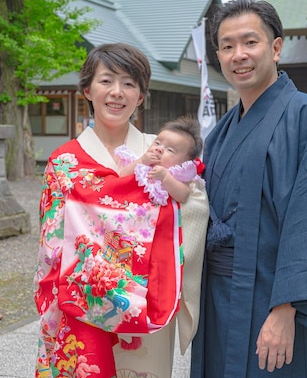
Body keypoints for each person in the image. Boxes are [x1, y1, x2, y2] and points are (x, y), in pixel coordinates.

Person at [190, 0, 307, 378]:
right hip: (220, 297)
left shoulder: (306, 116)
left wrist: (286, 309)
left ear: (276, 47)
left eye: (250, 42)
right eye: (227, 46)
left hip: (275, 297)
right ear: (218, 55)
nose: (238, 55)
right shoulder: (220, 134)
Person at [34, 43, 209, 378]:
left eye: (129, 83)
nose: (117, 92)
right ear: (87, 89)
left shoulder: (161, 149)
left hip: (145, 301)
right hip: (79, 300)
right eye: (106, 81)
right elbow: (52, 244)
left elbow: (195, 203)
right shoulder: (64, 162)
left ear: (141, 96)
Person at [116, 115, 205, 205]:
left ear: (185, 163)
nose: (159, 149)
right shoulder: (142, 165)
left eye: (170, 150)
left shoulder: (177, 175)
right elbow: (122, 175)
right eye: (157, 143)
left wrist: (165, 176)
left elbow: (183, 196)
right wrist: (141, 161)